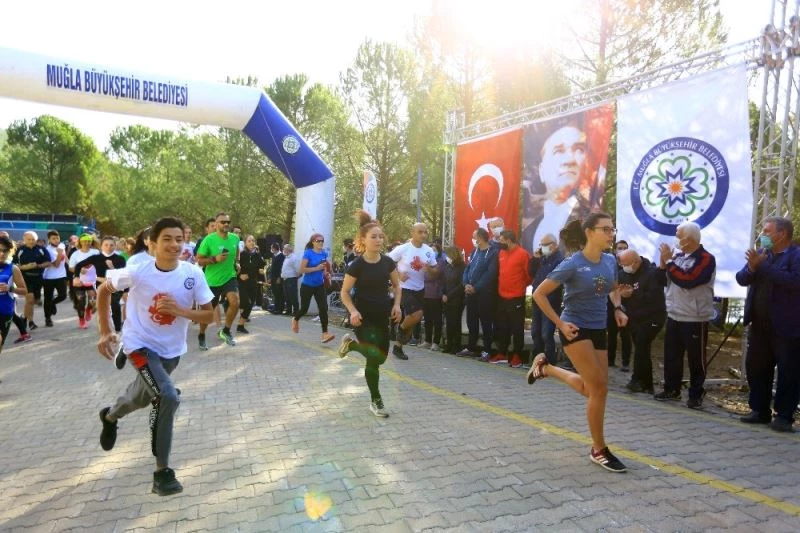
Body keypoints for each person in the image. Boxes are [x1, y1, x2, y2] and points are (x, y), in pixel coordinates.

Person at [95, 217, 214, 496]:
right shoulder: (137, 269)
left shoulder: (192, 273)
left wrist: (181, 312)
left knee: (142, 395)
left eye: (179, 239)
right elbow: (103, 291)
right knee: (167, 396)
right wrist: (104, 331)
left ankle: (110, 417)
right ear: (152, 243)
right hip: (139, 346)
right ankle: (162, 472)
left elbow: (211, 315)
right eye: (167, 239)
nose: (174, 245)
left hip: (171, 351)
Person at [530, 213, 628, 473]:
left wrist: (618, 308)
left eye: (612, 229)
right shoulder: (572, 263)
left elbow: (613, 288)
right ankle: (598, 449)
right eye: (605, 229)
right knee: (599, 390)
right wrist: (560, 324)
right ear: (589, 232)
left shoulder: (609, 260)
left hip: (599, 328)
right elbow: (539, 294)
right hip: (574, 328)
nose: (610, 234)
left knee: (593, 388)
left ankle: (546, 368)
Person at [736, 216, 800, 432]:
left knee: (788, 372)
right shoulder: (762, 255)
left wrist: (762, 268)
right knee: (756, 368)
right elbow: (742, 278)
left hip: (787, 327)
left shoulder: (795, 255)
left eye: (766, 231)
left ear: (781, 234)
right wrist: (753, 268)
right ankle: (759, 410)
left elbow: (794, 281)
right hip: (760, 325)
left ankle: (783, 416)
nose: (762, 235)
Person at [338, 211, 402, 417]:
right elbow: (344, 292)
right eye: (373, 236)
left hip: (383, 315)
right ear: (362, 240)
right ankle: (376, 401)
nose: (378, 240)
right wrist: (353, 310)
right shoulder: (356, 265)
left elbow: (397, 286)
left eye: (380, 236)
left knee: (381, 357)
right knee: (373, 359)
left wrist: (397, 306)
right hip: (362, 317)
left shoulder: (387, 262)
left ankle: (352, 346)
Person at [654, 221, 716, 409]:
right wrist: (663, 263)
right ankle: (672, 389)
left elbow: (688, 280)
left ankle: (696, 394)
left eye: (678, 234)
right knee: (672, 355)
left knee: (696, 359)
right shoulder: (678, 256)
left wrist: (670, 262)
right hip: (675, 314)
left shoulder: (706, 258)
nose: (676, 238)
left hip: (695, 317)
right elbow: (661, 280)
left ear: (689, 239)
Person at [521, 123, 602, 252]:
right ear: (542, 171)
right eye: (558, 151)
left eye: (579, 150)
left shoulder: (592, 221)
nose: (569, 160)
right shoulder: (528, 230)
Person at [617, 249, 666, 394]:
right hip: (634, 318)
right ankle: (647, 384)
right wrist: (623, 295)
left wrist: (633, 294)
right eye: (622, 265)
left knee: (642, 344)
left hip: (653, 317)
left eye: (627, 264)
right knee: (641, 348)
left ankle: (636, 379)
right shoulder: (623, 274)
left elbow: (654, 298)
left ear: (636, 262)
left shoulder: (652, 273)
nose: (625, 268)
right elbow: (616, 292)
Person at [387, 223, 438, 360]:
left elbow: (435, 272)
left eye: (425, 232)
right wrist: (397, 275)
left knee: (414, 319)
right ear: (413, 233)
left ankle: (398, 346)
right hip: (404, 287)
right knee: (417, 315)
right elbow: (386, 262)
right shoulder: (403, 249)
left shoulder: (428, 251)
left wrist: (430, 270)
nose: (423, 235)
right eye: (420, 232)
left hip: (419, 289)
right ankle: (400, 330)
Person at [195, 212, 241, 349]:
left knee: (235, 301)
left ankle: (226, 331)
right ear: (216, 224)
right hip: (212, 281)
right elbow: (199, 260)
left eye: (228, 222)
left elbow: (237, 251)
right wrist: (215, 259)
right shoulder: (209, 240)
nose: (226, 224)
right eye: (223, 222)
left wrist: (237, 262)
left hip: (229, 277)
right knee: (208, 313)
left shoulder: (234, 238)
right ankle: (202, 334)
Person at [456, 228, 498, 360]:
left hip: (485, 294)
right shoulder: (475, 251)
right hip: (471, 293)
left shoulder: (493, 253)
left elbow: (490, 274)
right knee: (471, 321)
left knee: (486, 322)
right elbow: (468, 269)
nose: (473, 239)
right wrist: (466, 284)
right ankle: (471, 347)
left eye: (474, 236)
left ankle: (486, 350)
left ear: (480, 237)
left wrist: (476, 287)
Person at [492, 230, 532, 368]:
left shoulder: (522, 254)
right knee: (502, 326)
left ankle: (517, 356)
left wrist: (519, 287)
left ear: (509, 240)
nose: (499, 243)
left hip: (516, 297)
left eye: (501, 240)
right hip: (501, 295)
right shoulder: (501, 253)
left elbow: (529, 276)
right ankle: (502, 353)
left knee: (516, 328)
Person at [292, 233, 335, 343]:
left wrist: (326, 274)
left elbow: (324, 269)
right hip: (307, 286)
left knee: (323, 308)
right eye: (318, 241)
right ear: (313, 242)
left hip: (319, 285)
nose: (320, 243)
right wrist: (316, 268)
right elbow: (301, 270)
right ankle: (296, 319)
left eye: (322, 241)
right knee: (304, 309)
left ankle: (325, 334)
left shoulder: (324, 254)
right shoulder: (308, 253)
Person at [529, 233, 564, 365]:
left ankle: (550, 362)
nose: (542, 247)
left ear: (554, 245)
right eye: (541, 245)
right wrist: (535, 259)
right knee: (535, 332)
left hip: (550, 301)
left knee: (546, 333)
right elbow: (532, 273)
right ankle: (537, 360)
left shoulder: (559, 260)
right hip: (537, 301)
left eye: (545, 245)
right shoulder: (543, 258)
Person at [13, 231, 51, 330]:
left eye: (33, 239)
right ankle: (29, 322)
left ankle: (26, 318)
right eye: (29, 239)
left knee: (32, 301)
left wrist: (38, 265)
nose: (31, 241)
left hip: (38, 278)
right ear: (24, 239)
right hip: (25, 277)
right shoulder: (20, 250)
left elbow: (48, 262)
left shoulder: (41, 249)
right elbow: (14, 265)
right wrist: (25, 267)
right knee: (30, 298)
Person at [0, 235, 28, 359]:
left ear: (9, 251)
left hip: (5, 310)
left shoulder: (13, 268)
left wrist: (9, 288)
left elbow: (24, 291)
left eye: (5, 250)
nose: (1, 253)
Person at [607, 240, 632, 371]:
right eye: (620, 248)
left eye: (624, 248)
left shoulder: (630, 266)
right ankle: (610, 360)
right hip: (611, 305)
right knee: (611, 334)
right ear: (615, 250)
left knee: (625, 335)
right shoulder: (610, 265)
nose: (622, 250)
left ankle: (626, 363)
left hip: (626, 306)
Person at [68, 234, 100, 329]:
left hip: (93, 281)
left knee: (92, 301)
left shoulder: (96, 252)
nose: (86, 243)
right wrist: (79, 270)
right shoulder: (75, 254)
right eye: (84, 241)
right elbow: (70, 268)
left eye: (89, 241)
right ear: (80, 242)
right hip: (79, 281)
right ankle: (81, 320)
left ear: (91, 242)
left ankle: (88, 310)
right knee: (80, 301)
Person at [421, 241, 446, 351]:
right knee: (427, 318)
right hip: (425, 293)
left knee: (436, 319)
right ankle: (427, 340)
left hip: (435, 294)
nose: (432, 252)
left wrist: (428, 270)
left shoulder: (440, 261)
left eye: (434, 250)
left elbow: (434, 275)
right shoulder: (425, 261)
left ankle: (436, 342)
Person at [237, 235, 265, 334]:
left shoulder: (257, 255)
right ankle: (229, 305)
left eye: (253, 241)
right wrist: (240, 275)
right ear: (245, 242)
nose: (251, 242)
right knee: (245, 302)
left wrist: (252, 274)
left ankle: (240, 325)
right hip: (241, 282)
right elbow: (235, 267)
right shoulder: (242, 254)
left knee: (250, 305)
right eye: (249, 241)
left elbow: (260, 269)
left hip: (253, 282)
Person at [441, 246, 466, 354]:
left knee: (455, 322)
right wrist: (443, 294)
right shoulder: (447, 267)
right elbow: (444, 281)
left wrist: (449, 296)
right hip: (446, 298)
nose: (446, 257)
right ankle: (449, 344)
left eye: (448, 255)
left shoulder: (462, 267)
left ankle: (456, 345)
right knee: (449, 323)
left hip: (457, 299)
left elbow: (461, 285)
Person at [42, 230, 68, 327]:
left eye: (57, 238)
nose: (56, 240)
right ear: (49, 240)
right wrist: (59, 254)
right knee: (48, 298)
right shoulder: (47, 250)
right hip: (49, 277)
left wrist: (72, 266)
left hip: (61, 275)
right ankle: (48, 318)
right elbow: (56, 265)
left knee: (63, 295)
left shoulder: (61, 246)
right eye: (53, 238)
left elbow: (65, 258)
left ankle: (53, 303)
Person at [280, 244, 300, 316]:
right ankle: (288, 310)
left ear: (289, 250)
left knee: (293, 296)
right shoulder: (287, 257)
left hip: (291, 279)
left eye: (285, 248)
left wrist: (296, 277)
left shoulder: (294, 258)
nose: (283, 250)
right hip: (285, 279)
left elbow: (298, 269)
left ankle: (296, 311)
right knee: (287, 296)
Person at [267, 243, 285, 314]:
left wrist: (279, 278)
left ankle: (280, 309)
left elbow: (281, 268)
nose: (271, 250)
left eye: (272, 248)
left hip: (278, 278)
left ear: (275, 248)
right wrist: (269, 278)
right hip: (273, 277)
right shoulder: (274, 256)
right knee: (275, 293)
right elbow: (272, 268)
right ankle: (276, 307)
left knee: (280, 293)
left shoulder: (281, 256)